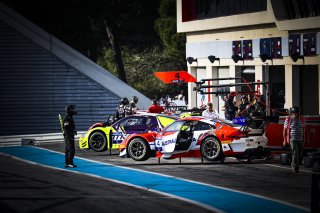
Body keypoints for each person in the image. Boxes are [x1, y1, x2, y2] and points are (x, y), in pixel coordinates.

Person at [283, 106, 305, 173]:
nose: (296, 114)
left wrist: (305, 139)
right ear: (292, 113)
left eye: (297, 113)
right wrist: (284, 140)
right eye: (295, 113)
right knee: (295, 153)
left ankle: (294, 163)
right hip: (292, 139)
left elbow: (304, 129)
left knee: (300, 154)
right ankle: (295, 167)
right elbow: (284, 130)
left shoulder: (302, 119)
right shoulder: (288, 119)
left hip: (300, 139)